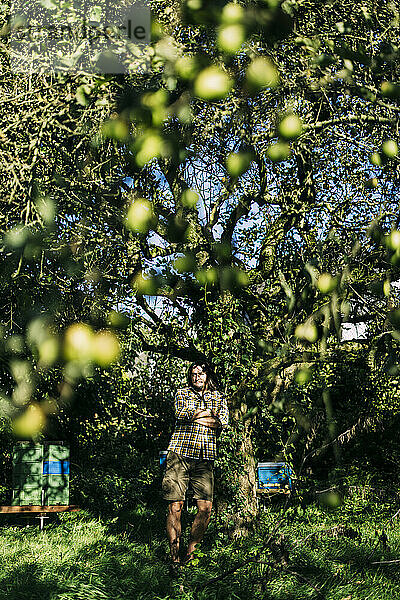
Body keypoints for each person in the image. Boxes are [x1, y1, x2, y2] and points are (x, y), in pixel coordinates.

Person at [162, 361, 229, 571]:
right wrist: (209, 415)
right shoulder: (181, 393)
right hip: (179, 453)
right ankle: (174, 560)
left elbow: (223, 423)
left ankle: (190, 556)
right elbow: (182, 414)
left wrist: (197, 416)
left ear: (208, 375)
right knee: (175, 505)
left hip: (205, 457)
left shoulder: (219, 397)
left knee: (206, 508)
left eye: (201, 373)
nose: (197, 377)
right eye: (193, 374)